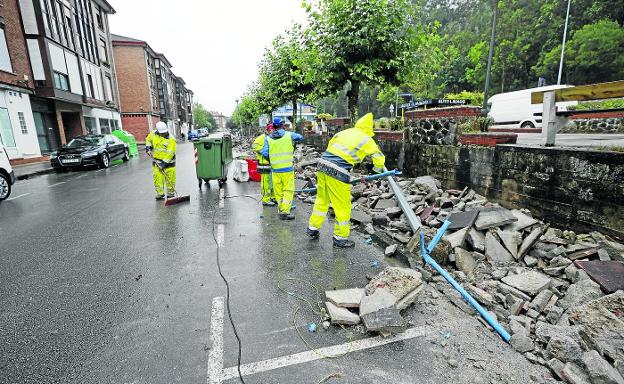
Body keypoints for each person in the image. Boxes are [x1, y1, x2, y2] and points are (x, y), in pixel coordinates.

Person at [306, 113, 385, 248]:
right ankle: (340, 238)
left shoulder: (345, 132)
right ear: (369, 128)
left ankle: (312, 229)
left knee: (321, 200)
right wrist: (375, 172)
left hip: (322, 165)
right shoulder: (366, 139)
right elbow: (379, 157)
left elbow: (331, 145)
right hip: (338, 171)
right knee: (342, 206)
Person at [260, 118, 303, 220]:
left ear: (273, 126)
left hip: (275, 170)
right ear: (282, 125)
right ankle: (285, 211)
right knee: (288, 190)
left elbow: (264, 152)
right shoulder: (289, 135)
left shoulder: (268, 138)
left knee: (278, 191)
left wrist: (271, 160)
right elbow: (300, 137)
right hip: (287, 169)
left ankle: (281, 209)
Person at [146, 121, 177, 200]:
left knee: (170, 178)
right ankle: (160, 193)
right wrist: (148, 148)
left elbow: (170, 153)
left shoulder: (171, 139)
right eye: (161, 133)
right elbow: (148, 140)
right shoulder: (153, 134)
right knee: (157, 178)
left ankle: (170, 194)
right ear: (158, 131)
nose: (163, 134)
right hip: (157, 162)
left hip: (169, 163)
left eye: (164, 132)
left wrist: (163, 165)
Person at [252, 123, 275, 206]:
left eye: (274, 130)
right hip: (264, 163)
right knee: (266, 183)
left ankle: (272, 197)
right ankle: (265, 199)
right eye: (272, 130)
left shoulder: (273, 138)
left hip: (272, 163)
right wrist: (262, 151)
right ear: (268, 130)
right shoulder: (262, 137)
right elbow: (254, 146)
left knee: (272, 182)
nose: (273, 131)